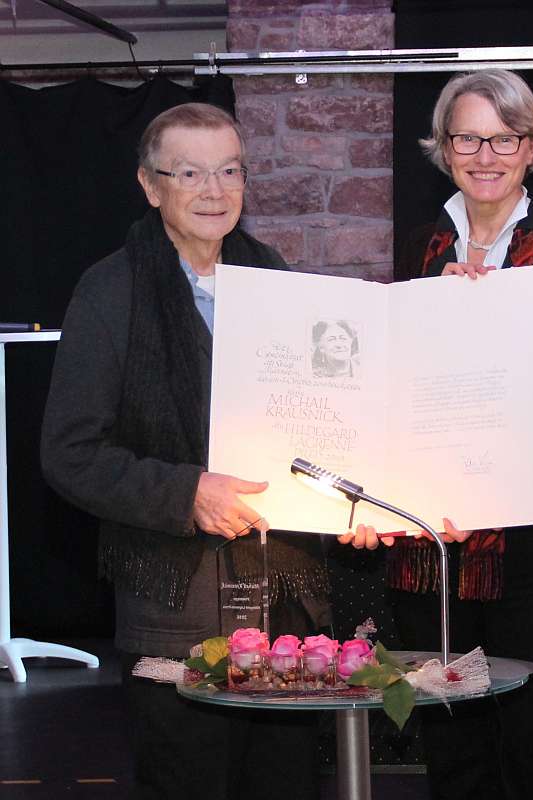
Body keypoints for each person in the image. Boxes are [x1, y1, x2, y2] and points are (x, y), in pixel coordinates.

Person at [40, 103, 386, 800]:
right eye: (190, 172)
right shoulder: (109, 292)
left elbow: (319, 427)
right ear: (149, 184)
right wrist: (185, 493)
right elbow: (69, 452)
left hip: (288, 608)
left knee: (285, 785)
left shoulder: (277, 282)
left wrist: (361, 492)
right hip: (175, 613)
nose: (214, 190)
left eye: (230, 170)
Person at [361, 69, 533, 799]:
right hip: (431, 537)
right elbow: (396, 384)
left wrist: (482, 485)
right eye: (467, 136)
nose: (486, 153)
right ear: (442, 147)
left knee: (531, 741)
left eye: (505, 137)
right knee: (451, 741)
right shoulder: (418, 250)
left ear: (532, 147)